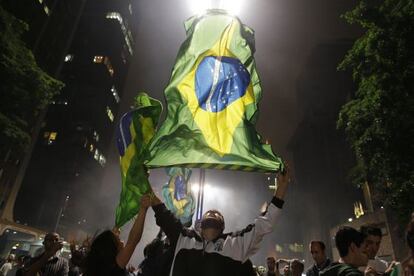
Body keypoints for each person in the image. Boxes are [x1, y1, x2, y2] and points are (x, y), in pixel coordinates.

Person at [148, 167, 291, 276]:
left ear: (222, 226)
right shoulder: (183, 237)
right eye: (209, 213)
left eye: (217, 214)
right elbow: (162, 213)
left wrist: (282, 189)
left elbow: (264, 224)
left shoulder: (235, 243)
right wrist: (143, 182)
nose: (212, 213)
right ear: (200, 223)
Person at [83, 195, 150, 276]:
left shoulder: (99, 267)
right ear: (111, 249)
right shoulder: (113, 266)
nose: (122, 241)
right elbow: (133, 240)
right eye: (118, 240)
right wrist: (143, 209)